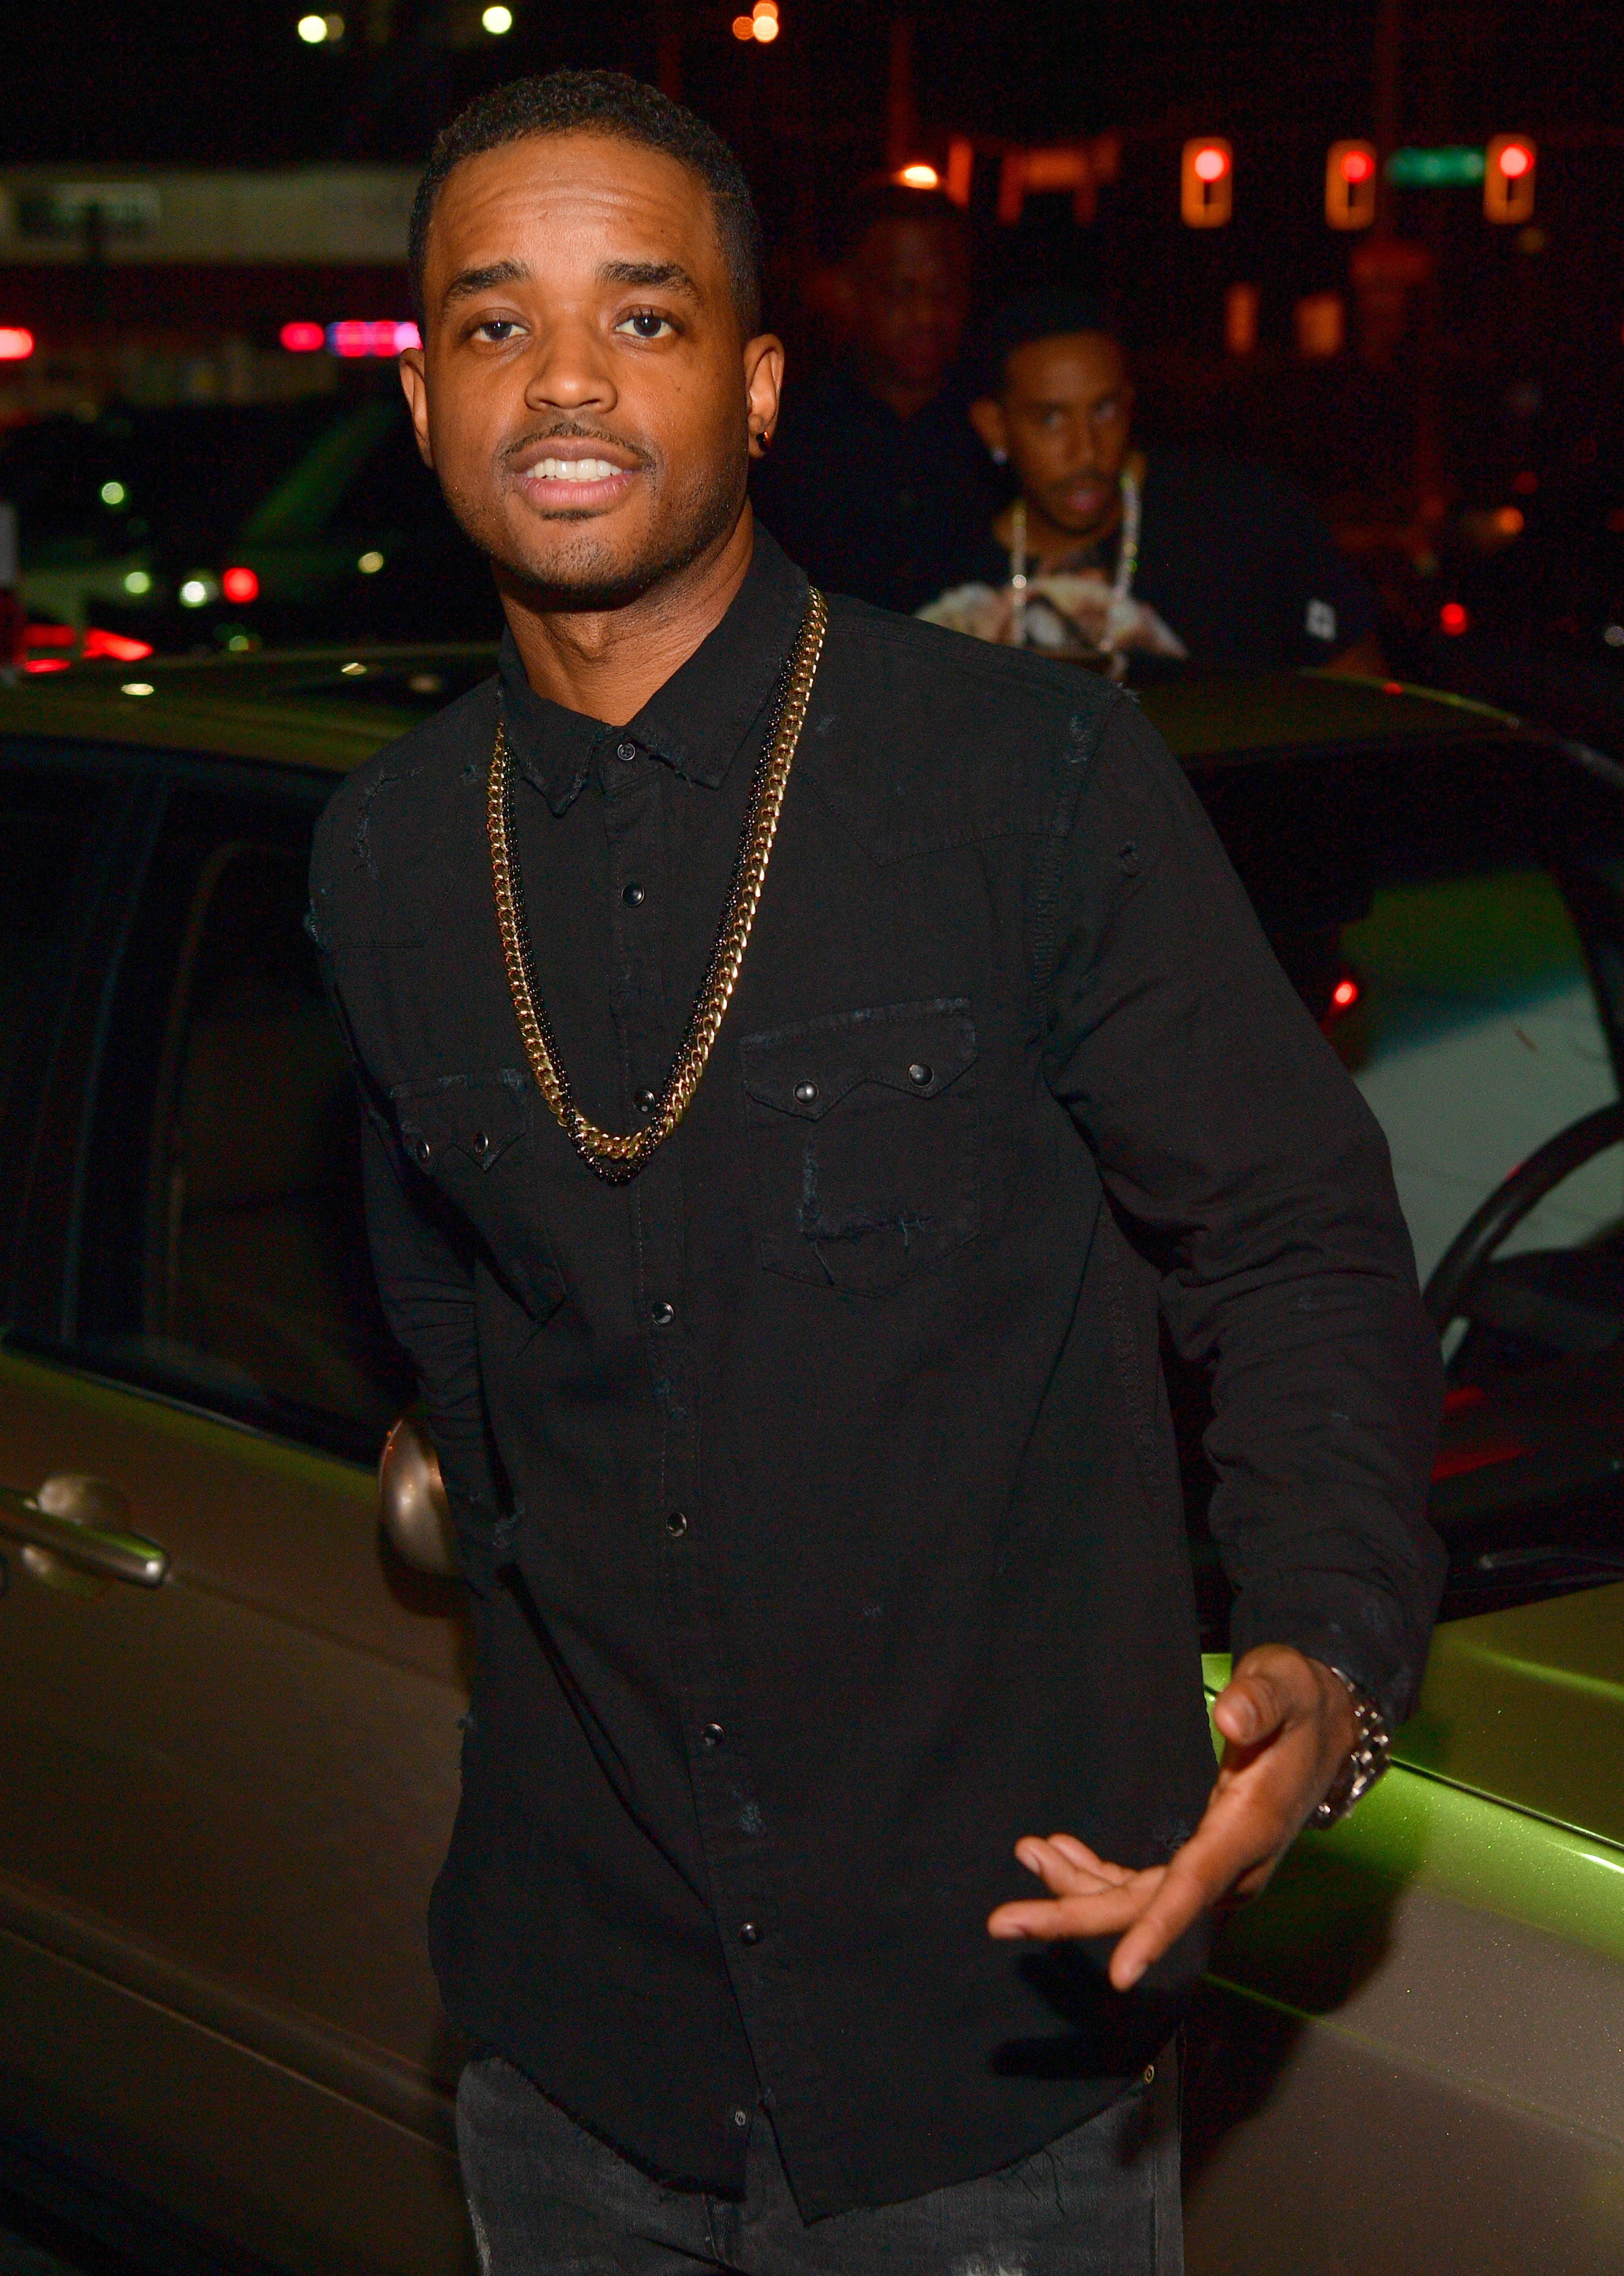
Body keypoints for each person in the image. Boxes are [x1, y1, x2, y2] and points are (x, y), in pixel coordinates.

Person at [309, 69, 1444, 2276]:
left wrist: (1320, 1649)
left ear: (753, 388)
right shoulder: (381, 861)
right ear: (428, 398)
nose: (564, 379)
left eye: (642, 318)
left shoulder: (1024, 777)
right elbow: (452, 1320)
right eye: (493, 322)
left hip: (986, 2042)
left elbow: (1292, 1236)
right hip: (571, 2048)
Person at [921, 285, 1384, 675]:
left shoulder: (1244, 520)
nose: (1086, 450)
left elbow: (1357, 698)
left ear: (1129, 404)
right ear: (994, 426)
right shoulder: (946, 566)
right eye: (1050, 419)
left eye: (1104, 410)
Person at [750, 181, 994, 614]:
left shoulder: (999, 431)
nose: (925, 316)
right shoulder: (791, 435)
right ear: (848, 291)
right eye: (901, 291)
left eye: (943, 291)